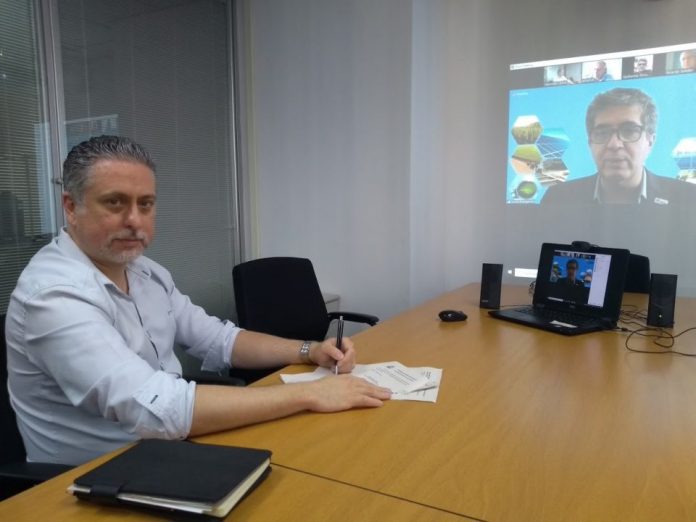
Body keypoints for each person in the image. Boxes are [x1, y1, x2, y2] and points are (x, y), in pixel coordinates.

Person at [4, 135, 392, 466]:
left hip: (168, 451)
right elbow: (151, 409)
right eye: (115, 203)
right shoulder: (53, 295)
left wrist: (310, 351)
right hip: (92, 479)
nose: (135, 221)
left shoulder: (145, 272)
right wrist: (309, 393)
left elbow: (217, 339)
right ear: (71, 207)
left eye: (146, 204)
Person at [543, 88, 696, 205]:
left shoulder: (687, 199)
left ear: (650, 141)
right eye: (602, 133)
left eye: (629, 131)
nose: (614, 145)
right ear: (590, 142)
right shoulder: (558, 200)